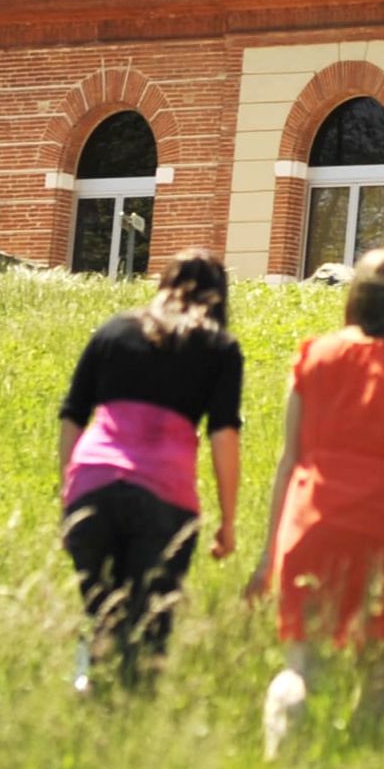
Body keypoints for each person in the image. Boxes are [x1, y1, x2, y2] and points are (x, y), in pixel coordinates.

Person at [250, 249, 384, 757]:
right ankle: (359, 763)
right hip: (379, 530)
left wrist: (269, 554)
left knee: (300, 667)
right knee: (375, 671)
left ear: (355, 298)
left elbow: (288, 461)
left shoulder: (312, 355)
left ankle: (279, 756)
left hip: (308, 522)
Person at [57, 250, 244, 688]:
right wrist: (228, 521)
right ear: (220, 298)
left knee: (101, 614)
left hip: (92, 487)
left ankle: (86, 692)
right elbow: (223, 435)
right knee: (149, 631)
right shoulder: (219, 347)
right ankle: (129, 714)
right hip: (163, 498)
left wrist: (69, 493)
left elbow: (72, 415)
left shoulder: (114, 330)